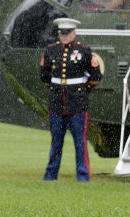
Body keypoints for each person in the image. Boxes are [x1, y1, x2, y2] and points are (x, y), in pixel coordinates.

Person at [39, 18, 102, 182]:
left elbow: (96, 76)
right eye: (61, 33)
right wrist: (56, 90)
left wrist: (82, 91)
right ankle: (50, 176)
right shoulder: (51, 51)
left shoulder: (84, 51)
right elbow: (44, 75)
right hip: (57, 103)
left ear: (74, 33)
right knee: (56, 143)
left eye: (67, 33)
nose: (64, 36)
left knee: (80, 144)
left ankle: (83, 176)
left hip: (78, 105)